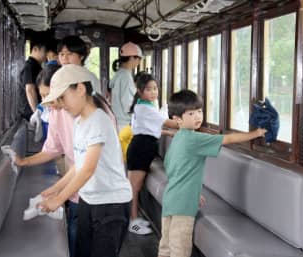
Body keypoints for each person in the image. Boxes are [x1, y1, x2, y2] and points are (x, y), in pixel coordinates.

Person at [157, 90, 267, 257]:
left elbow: (175, 170)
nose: (197, 117)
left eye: (199, 111)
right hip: (183, 205)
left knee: (166, 246)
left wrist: (194, 192)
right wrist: (256, 134)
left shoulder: (179, 137)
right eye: (191, 113)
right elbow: (227, 139)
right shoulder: (194, 139)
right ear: (177, 119)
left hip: (170, 199)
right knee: (180, 249)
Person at [38, 64, 132, 257]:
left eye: (62, 97)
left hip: (111, 203)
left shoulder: (99, 120)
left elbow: (88, 170)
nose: (61, 104)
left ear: (80, 89)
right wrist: (56, 189)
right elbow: (78, 165)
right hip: (89, 199)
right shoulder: (80, 122)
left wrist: (59, 199)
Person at [127, 73, 178, 235]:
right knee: (134, 188)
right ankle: (132, 222)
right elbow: (169, 122)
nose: (154, 92)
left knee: (136, 186)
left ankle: (134, 218)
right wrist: (190, 122)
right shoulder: (144, 108)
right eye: (148, 89)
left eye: (155, 88)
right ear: (140, 91)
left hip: (144, 147)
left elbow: (147, 128)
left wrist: (167, 133)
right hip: (141, 148)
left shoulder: (145, 106)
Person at [109, 42, 142, 131]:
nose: (139, 62)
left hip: (117, 122)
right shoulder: (126, 77)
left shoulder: (118, 74)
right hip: (124, 125)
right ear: (132, 58)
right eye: (139, 59)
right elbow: (128, 105)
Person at [18, 39, 47, 120]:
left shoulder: (36, 66)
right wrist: (36, 113)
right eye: (45, 51)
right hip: (30, 113)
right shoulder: (29, 67)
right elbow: (30, 90)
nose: (46, 54)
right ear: (35, 49)